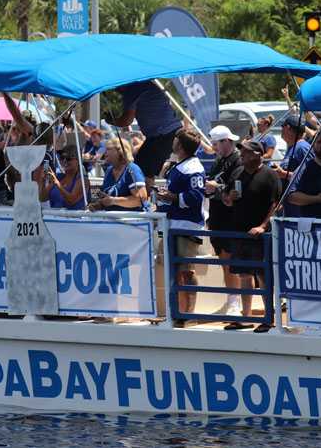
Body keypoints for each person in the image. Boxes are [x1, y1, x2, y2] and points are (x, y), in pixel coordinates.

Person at [223, 140, 281, 332]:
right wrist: (229, 198)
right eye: (242, 152)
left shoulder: (270, 175)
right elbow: (225, 199)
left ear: (258, 154)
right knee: (244, 275)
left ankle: (268, 318)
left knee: (263, 276)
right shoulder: (237, 173)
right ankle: (245, 317)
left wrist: (263, 226)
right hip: (240, 232)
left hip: (260, 236)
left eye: (247, 152)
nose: (242, 155)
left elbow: (276, 204)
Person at [154, 128, 206, 325]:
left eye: (176, 139)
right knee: (173, 271)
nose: (173, 141)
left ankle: (187, 315)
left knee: (186, 271)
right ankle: (176, 313)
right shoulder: (181, 165)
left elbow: (196, 196)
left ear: (181, 145)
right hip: (172, 224)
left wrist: (172, 197)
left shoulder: (193, 167)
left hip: (186, 227)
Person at [110, 81, 183, 189]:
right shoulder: (147, 84)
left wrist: (111, 120)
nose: (116, 91)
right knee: (142, 167)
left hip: (162, 135)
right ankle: (145, 194)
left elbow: (126, 120)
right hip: (168, 132)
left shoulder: (131, 90)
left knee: (141, 171)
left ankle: (142, 197)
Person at [202, 125, 243, 317]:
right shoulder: (219, 161)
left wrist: (216, 187)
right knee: (223, 259)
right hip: (217, 215)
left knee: (231, 261)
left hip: (230, 216)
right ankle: (232, 299)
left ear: (226, 141)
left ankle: (235, 302)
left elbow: (236, 188)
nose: (213, 147)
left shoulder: (238, 160)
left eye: (216, 144)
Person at [92, 137, 147, 212]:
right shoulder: (109, 170)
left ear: (119, 151)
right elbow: (107, 198)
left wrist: (113, 201)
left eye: (108, 149)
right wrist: (100, 204)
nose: (105, 153)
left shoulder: (132, 169)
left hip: (133, 218)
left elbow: (140, 199)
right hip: (111, 217)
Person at [42, 145, 86, 210]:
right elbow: (42, 198)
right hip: (53, 215)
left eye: (68, 158)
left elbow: (71, 200)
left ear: (78, 160)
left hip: (73, 216)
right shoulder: (58, 177)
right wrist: (43, 180)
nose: (64, 161)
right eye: (62, 158)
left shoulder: (83, 180)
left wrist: (57, 183)